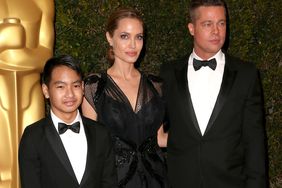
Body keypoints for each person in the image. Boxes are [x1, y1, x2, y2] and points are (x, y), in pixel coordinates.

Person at [160, 0, 267, 187]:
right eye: (208, 24)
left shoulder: (246, 74)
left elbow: (254, 142)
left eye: (221, 23)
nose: (216, 31)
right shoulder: (168, 73)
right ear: (191, 28)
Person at [82, 7, 169, 188]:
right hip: (114, 179)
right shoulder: (94, 86)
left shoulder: (156, 85)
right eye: (124, 36)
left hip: (155, 178)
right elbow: (91, 147)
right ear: (109, 38)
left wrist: (203, 136)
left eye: (139, 37)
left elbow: (160, 139)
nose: (133, 45)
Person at [18, 55, 117, 188]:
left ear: (82, 87)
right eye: (61, 87)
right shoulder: (33, 136)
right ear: (46, 90)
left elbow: (109, 183)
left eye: (75, 85)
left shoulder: (101, 133)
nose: (69, 94)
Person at [0, 1, 54, 187]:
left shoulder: (43, 2)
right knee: (4, 166)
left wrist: (17, 57)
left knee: (32, 165)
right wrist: (3, 38)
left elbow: (46, 55)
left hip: (31, 93)